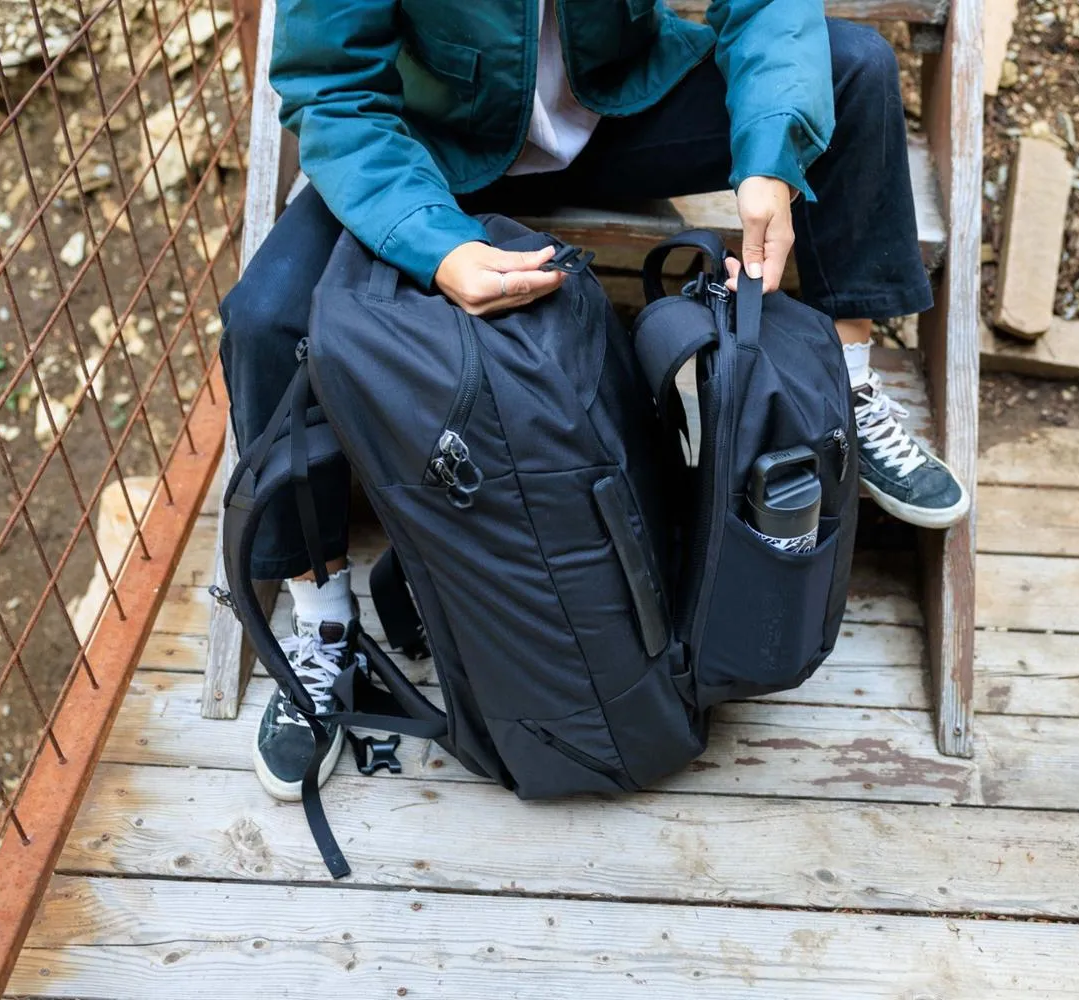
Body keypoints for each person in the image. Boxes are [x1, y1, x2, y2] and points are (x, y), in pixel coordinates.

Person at [220, 0, 971, 800]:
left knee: (852, 69)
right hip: (434, 152)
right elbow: (332, 87)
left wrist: (770, 156)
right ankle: (324, 624)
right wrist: (435, 245)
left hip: (616, 113)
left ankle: (846, 389)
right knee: (265, 321)